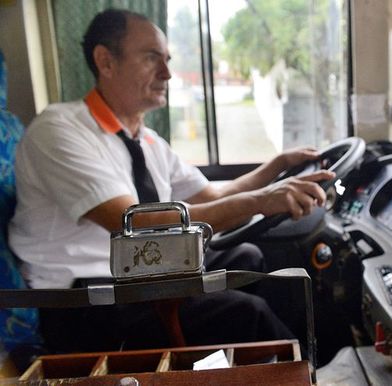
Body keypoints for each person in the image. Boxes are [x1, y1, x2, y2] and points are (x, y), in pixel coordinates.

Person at [8, 8, 334, 353]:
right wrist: (261, 199)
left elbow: (214, 195)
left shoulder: (146, 141)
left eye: (167, 60)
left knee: (247, 258)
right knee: (247, 315)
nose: (167, 73)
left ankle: (293, 360)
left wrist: (277, 167)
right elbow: (138, 224)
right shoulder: (60, 130)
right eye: (152, 59)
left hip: (143, 278)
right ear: (105, 61)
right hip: (85, 302)